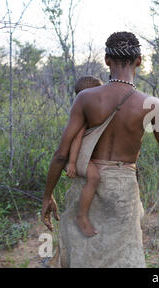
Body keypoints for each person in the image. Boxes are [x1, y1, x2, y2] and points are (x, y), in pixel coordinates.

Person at [41, 31, 159, 267]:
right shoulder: (152, 105)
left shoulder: (85, 98)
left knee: (82, 253)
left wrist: (47, 195)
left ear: (107, 60)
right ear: (139, 60)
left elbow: (62, 154)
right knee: (122, 256)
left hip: (86, 184)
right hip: (122, 191)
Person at [65, 76, 103, 237]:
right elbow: (76, 139)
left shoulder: (90, 110)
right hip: (77, 154)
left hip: (84, 153)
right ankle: (81, 216)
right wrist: (72, 163)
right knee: (94, 177)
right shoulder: (83, 113)